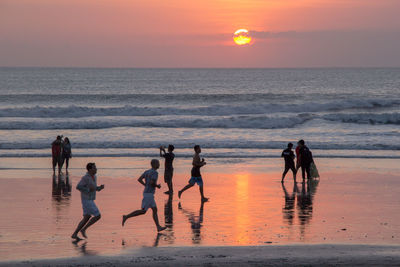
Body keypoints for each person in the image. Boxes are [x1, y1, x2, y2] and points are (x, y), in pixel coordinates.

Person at [122, 159, 166, 232]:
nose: (159, 164)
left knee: (154, 209)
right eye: (158, 163)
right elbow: (152, 183)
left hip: (147, 193)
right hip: (149, 195)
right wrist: (157, 186)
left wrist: (145, 185)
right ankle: (126, 216)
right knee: (143, 211)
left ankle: (158, 227)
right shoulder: (155, 173)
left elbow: (139, 179)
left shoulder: (147, 172)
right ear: (154, 164)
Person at [71, 163, 104, 239]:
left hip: (90, 199)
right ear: (90, 169)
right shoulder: (85, 178)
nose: (96, 169)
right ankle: (83, 229)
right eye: (94, 168)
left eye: (96, 168)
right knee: (98, 216)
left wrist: (99, 188)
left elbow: (93, 188)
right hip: (86, 200)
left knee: (87, 217)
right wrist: (88, 190)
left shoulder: (94, 177)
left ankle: (74, 234)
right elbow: (78, 187)